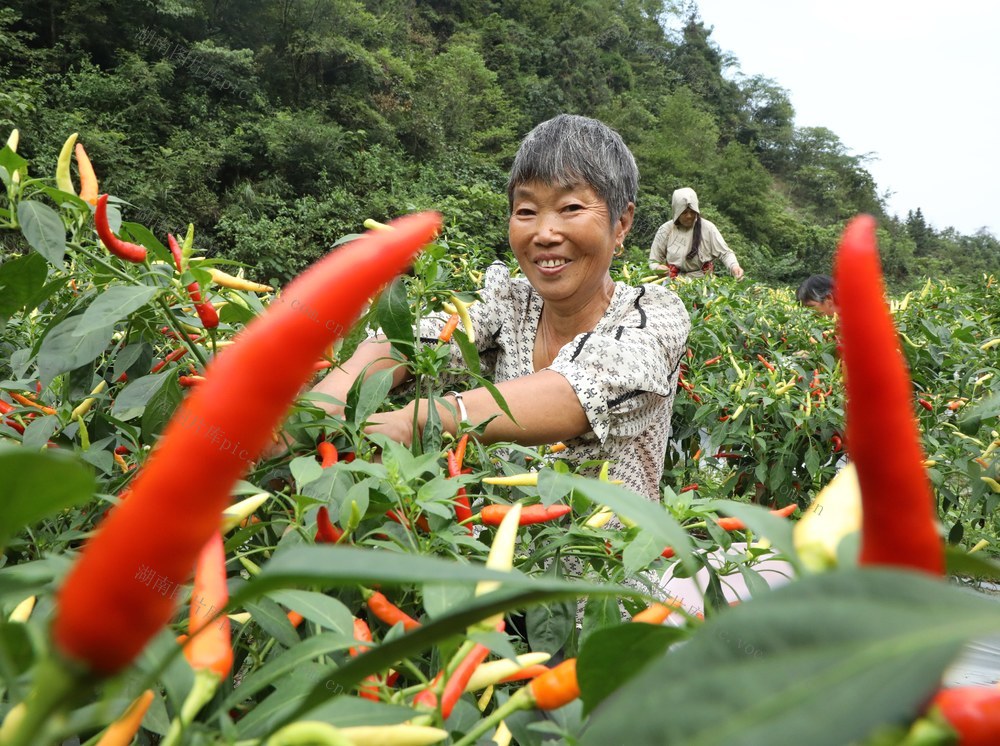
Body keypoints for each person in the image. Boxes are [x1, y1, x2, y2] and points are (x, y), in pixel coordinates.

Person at [307, 114, 691, 501]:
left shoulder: (655, 316)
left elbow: (580, 393)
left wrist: (419, 419)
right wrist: (321, 406)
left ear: (622, 222)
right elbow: (415, 341)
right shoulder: (509, 302)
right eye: (526, 211)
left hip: (611, 559)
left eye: (571, 207)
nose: (544, 233)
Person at [648, 187, 744, 280]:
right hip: (673, 282)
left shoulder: (708, 228)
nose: (689, 216)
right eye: (684, 212)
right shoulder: (665, 229)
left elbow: (725, 253)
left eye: (692, 212)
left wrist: (734, 266)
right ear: (676, 212)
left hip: (701, 284)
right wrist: (657, 268)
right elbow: (654, 259)